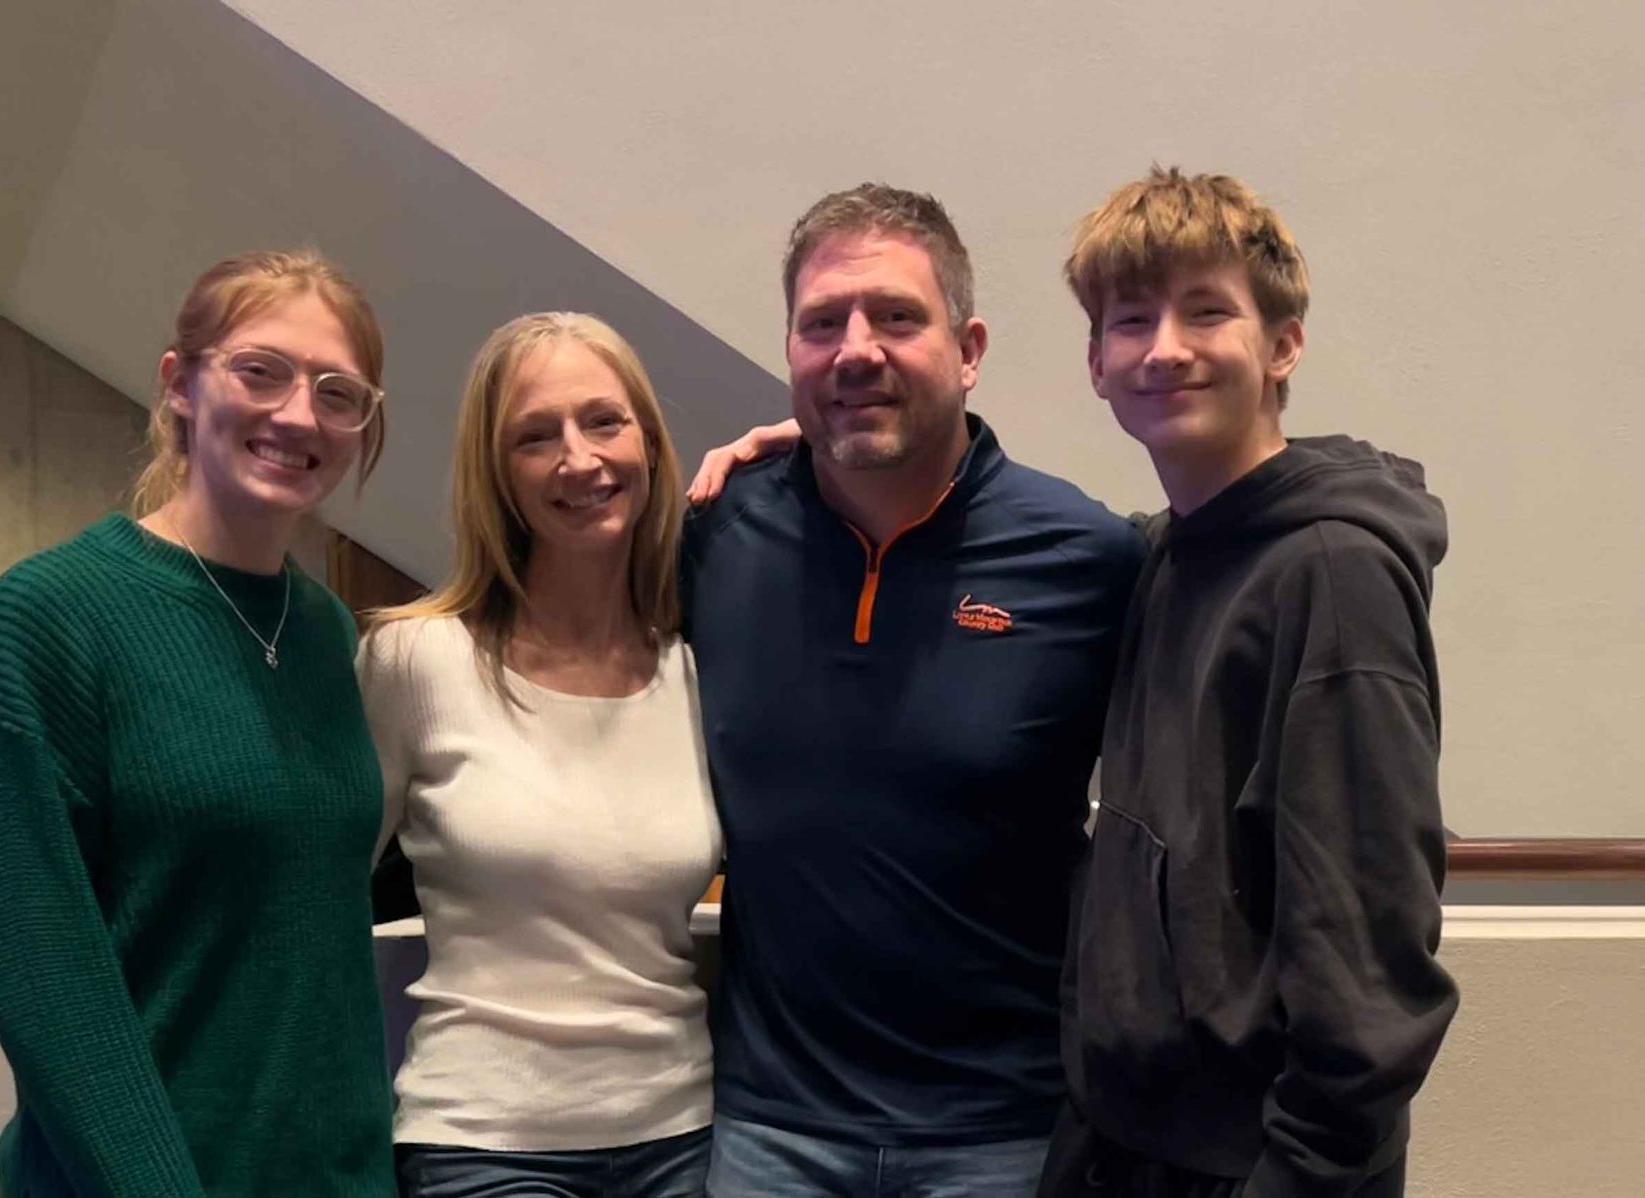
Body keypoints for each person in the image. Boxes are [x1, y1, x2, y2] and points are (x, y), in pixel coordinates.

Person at [681, 184, 1146, 1198]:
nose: (856, 350)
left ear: (969, 350)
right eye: (822, 324)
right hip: (769, 1132)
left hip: (1005, 1134)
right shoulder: (715, 535)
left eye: (896, 317)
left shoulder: (1090, 559)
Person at [1035, 168, 1458, 1197]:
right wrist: (817, 464)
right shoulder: (1168, 555)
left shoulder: (1331, 574)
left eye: (1207, 311)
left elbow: (1370, 956)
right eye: (1132, 320)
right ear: (1096, 364)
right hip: (1126, 1141)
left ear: (1283, 345)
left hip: (1251, 1164)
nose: (1165, 348)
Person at [0, 250, 397, 1196]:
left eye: (337, 392)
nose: (298, 415)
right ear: (180, 384)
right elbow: (40, 967)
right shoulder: (50, 613)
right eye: (261, 371)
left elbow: (319, 952)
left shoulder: (325, 630)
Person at [357, 312, 722, 1198]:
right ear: (497, 473)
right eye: (536, 436)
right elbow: (317, 900)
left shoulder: (695, 671)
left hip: (684, 1136)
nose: (579, 459)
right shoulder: (414, 660)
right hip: (483, 1142)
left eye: (604, 421)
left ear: (648, 441)